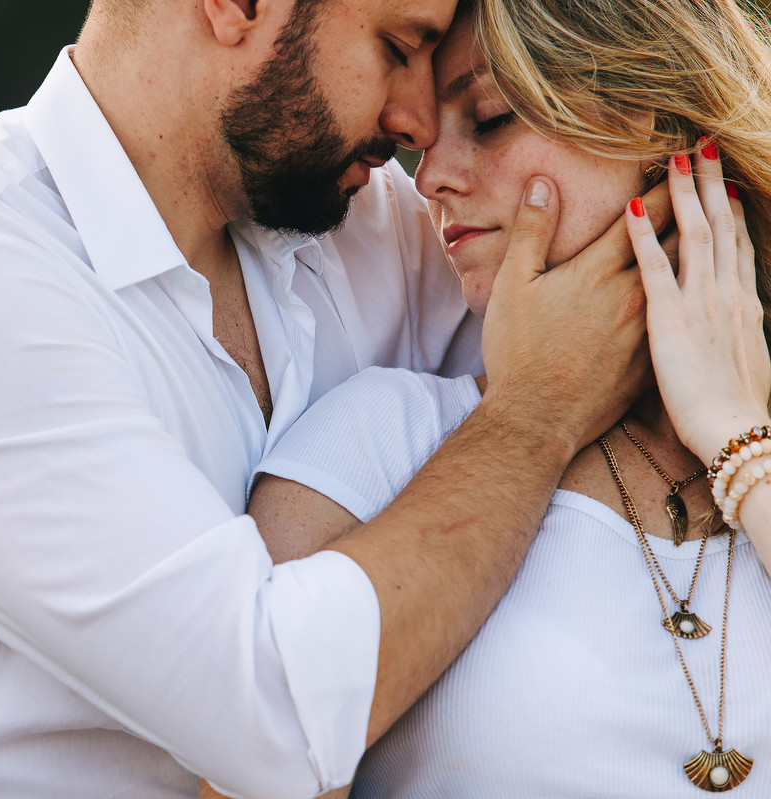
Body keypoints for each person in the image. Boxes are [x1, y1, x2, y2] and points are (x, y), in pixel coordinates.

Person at [0, 1, 669, 797]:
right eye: (397, 47)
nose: (413, 121)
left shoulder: (367, 231)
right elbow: (274, 720)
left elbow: (607, 328)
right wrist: (534, 417)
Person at [244, 0, 771, 795]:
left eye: (488, 117)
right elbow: (243, 754)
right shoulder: (379, 440)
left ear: (658, 125)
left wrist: (738, 438)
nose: (429, 179)